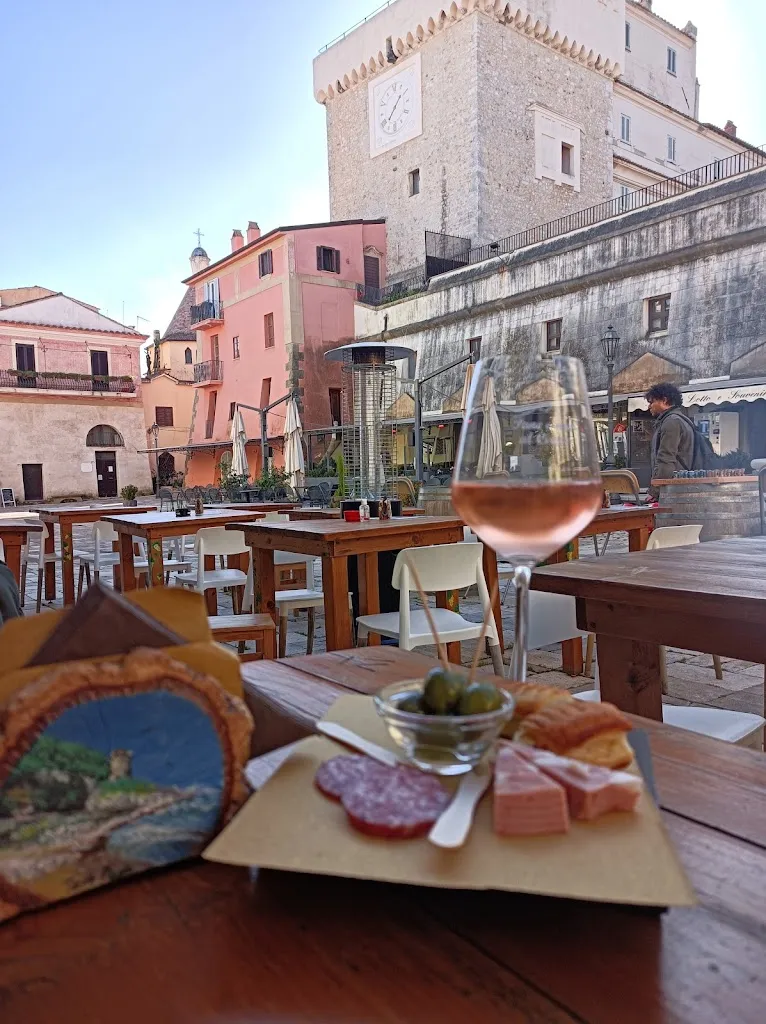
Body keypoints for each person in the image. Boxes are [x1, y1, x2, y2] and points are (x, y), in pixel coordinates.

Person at [645, 382, 695, 500]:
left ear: (664, 400)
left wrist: (655, 491)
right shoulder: (681, 420)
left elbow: (666, 459)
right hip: (680, 486)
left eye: (652, 402)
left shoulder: (671, 422)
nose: (649, 406)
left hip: (673, 489)